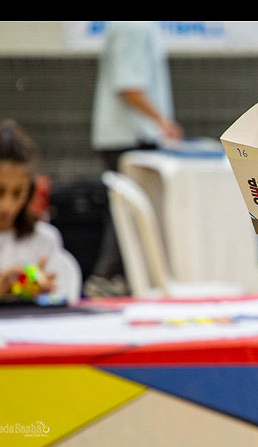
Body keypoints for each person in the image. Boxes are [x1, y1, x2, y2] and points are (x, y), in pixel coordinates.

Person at [88, 21, 184, 296]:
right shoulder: (133, 27)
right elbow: (128, 85)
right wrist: (162, 122)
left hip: (126, 136)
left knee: (127, 210)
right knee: (129, 210)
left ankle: (120, 277)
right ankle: (107, 277)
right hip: (128, 137)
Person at [0, 120, 78, 303]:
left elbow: (65, 316)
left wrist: (45, 298)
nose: (7, 205)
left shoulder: (44, 241)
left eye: (18, 193)